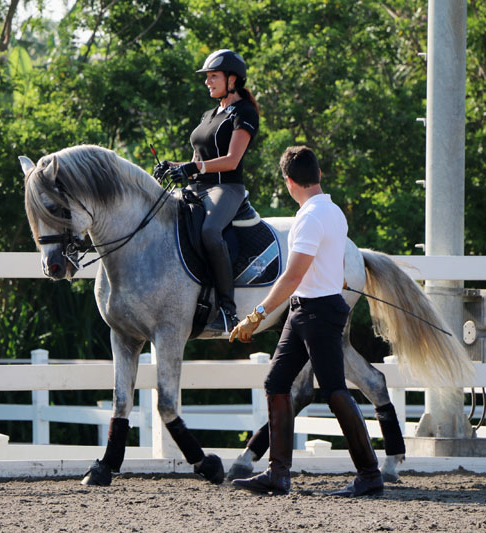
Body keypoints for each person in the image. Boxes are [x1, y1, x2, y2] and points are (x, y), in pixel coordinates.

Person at [228, 146, 383, 497]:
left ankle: (370, 474)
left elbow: (292, 275)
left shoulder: (310, 218)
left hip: (317, 313)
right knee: (276, 382)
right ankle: (278, 474)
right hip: (303, 311)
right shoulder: (334, 212)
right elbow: (331, 264)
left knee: (334, 390)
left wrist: (256, 315)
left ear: (288, 182)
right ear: (318, 175)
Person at [154, 49, 260, 333]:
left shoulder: (244, 113)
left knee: (211, 232)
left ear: (232, 79)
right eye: (207, 77)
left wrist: (194, 168)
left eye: (213, 76)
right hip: (197, 187)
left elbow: (231, 160)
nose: (207, 82)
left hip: (226, 188)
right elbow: (195, 161)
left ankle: (227, 311)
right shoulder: (209, 114)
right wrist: (172, 166)